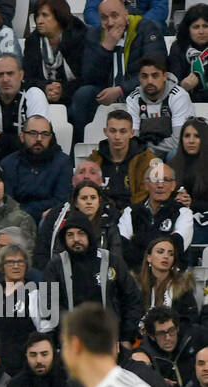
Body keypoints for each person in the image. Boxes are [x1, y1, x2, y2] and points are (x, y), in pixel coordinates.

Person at [42, 210, 142, 345]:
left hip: (111, 339)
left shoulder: (112, 261)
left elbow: (132, 299)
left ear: (89, 235)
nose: (76, 239)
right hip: (71, 340)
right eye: (70, 235)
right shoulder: (55, 265)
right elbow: (49, 305)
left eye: (81, 233)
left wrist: (125, 336)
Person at [75, 0, 166, 132]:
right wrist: (106, 47)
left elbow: (155, 69)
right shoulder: (95, 34)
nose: (110, 23)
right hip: (106, 89)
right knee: (83, 94)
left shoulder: (145, 29)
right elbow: (89, 77)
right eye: (104, 18)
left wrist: (121, 90)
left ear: (126, 14)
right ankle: (79, 142)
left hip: (139, 89)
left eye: (114, 16)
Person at [119, 160, 195, 272]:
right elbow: (123, 248)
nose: (160, 185)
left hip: (172, 280)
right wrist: (164, 238)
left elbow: (176, 247)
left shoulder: (183, 213)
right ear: (146, 184)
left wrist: (136, 239)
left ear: (173, 185)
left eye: (166, 180)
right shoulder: (130, 212)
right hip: (136, 278)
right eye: (155, 180)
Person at [34, 178, 124, 271]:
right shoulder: (66, 229)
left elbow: (116, 261)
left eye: (93, 198)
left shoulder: (109, 227)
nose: (89, 202)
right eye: (84, 198)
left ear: (99, 201)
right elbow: (58, 260)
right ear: (76, 203)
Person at [86, 110, 154, 210]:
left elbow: (144, 195)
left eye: (123, 131)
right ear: (105, 132)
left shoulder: (145, 160)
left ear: (132, 133)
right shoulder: (94, 160)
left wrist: (125, 214)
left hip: (133, 215)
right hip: (101, 215)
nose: (117, 137)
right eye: (113, 131)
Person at [138, 306, 208, 387]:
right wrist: (156, 383)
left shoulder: (195, 334)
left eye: (171, 330)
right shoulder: (145, 352)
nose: (168, 337)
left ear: (177, 328)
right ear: (152, 336)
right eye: (161, 333)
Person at [135, 241, 200, 331]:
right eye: (160, 252)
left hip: (175, 339)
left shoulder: (183, 287)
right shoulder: (135, 286)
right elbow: (129, 317)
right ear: (149, 257)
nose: (166, 256)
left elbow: (191, 319)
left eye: (171, 254)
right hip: (140, 340)